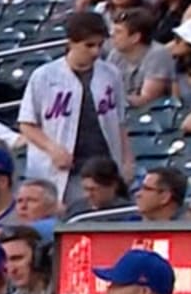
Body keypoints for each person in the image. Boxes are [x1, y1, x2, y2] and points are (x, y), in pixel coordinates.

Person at [17, 11, 131, 191]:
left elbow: (120, 122)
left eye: (100, 45)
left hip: (105, 168)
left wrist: (127, 160)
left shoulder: (111, 73)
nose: (96, 51)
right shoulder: (44, 75)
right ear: (71, 42)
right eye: (89, 45)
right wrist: (52, 149)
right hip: (64, 170)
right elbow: (27, 124)